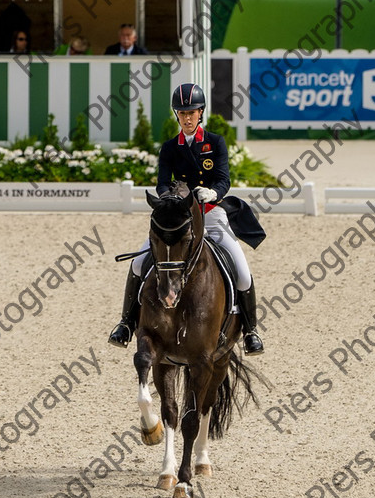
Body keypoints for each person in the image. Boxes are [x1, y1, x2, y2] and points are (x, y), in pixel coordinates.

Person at [107, 83, 265, 357]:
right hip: (177, 219)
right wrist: (171, 198)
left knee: (241, 271)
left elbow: (223, 179)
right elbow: (160, 183)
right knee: (137, 264)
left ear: (201, 112)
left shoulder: (215, 142)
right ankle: (125, 324)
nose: (187, 117)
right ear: (177, 115)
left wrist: (212, 192)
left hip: (210, 214)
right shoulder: (170, 147)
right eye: (182, 113)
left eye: (192, 112)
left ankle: (251, 331)